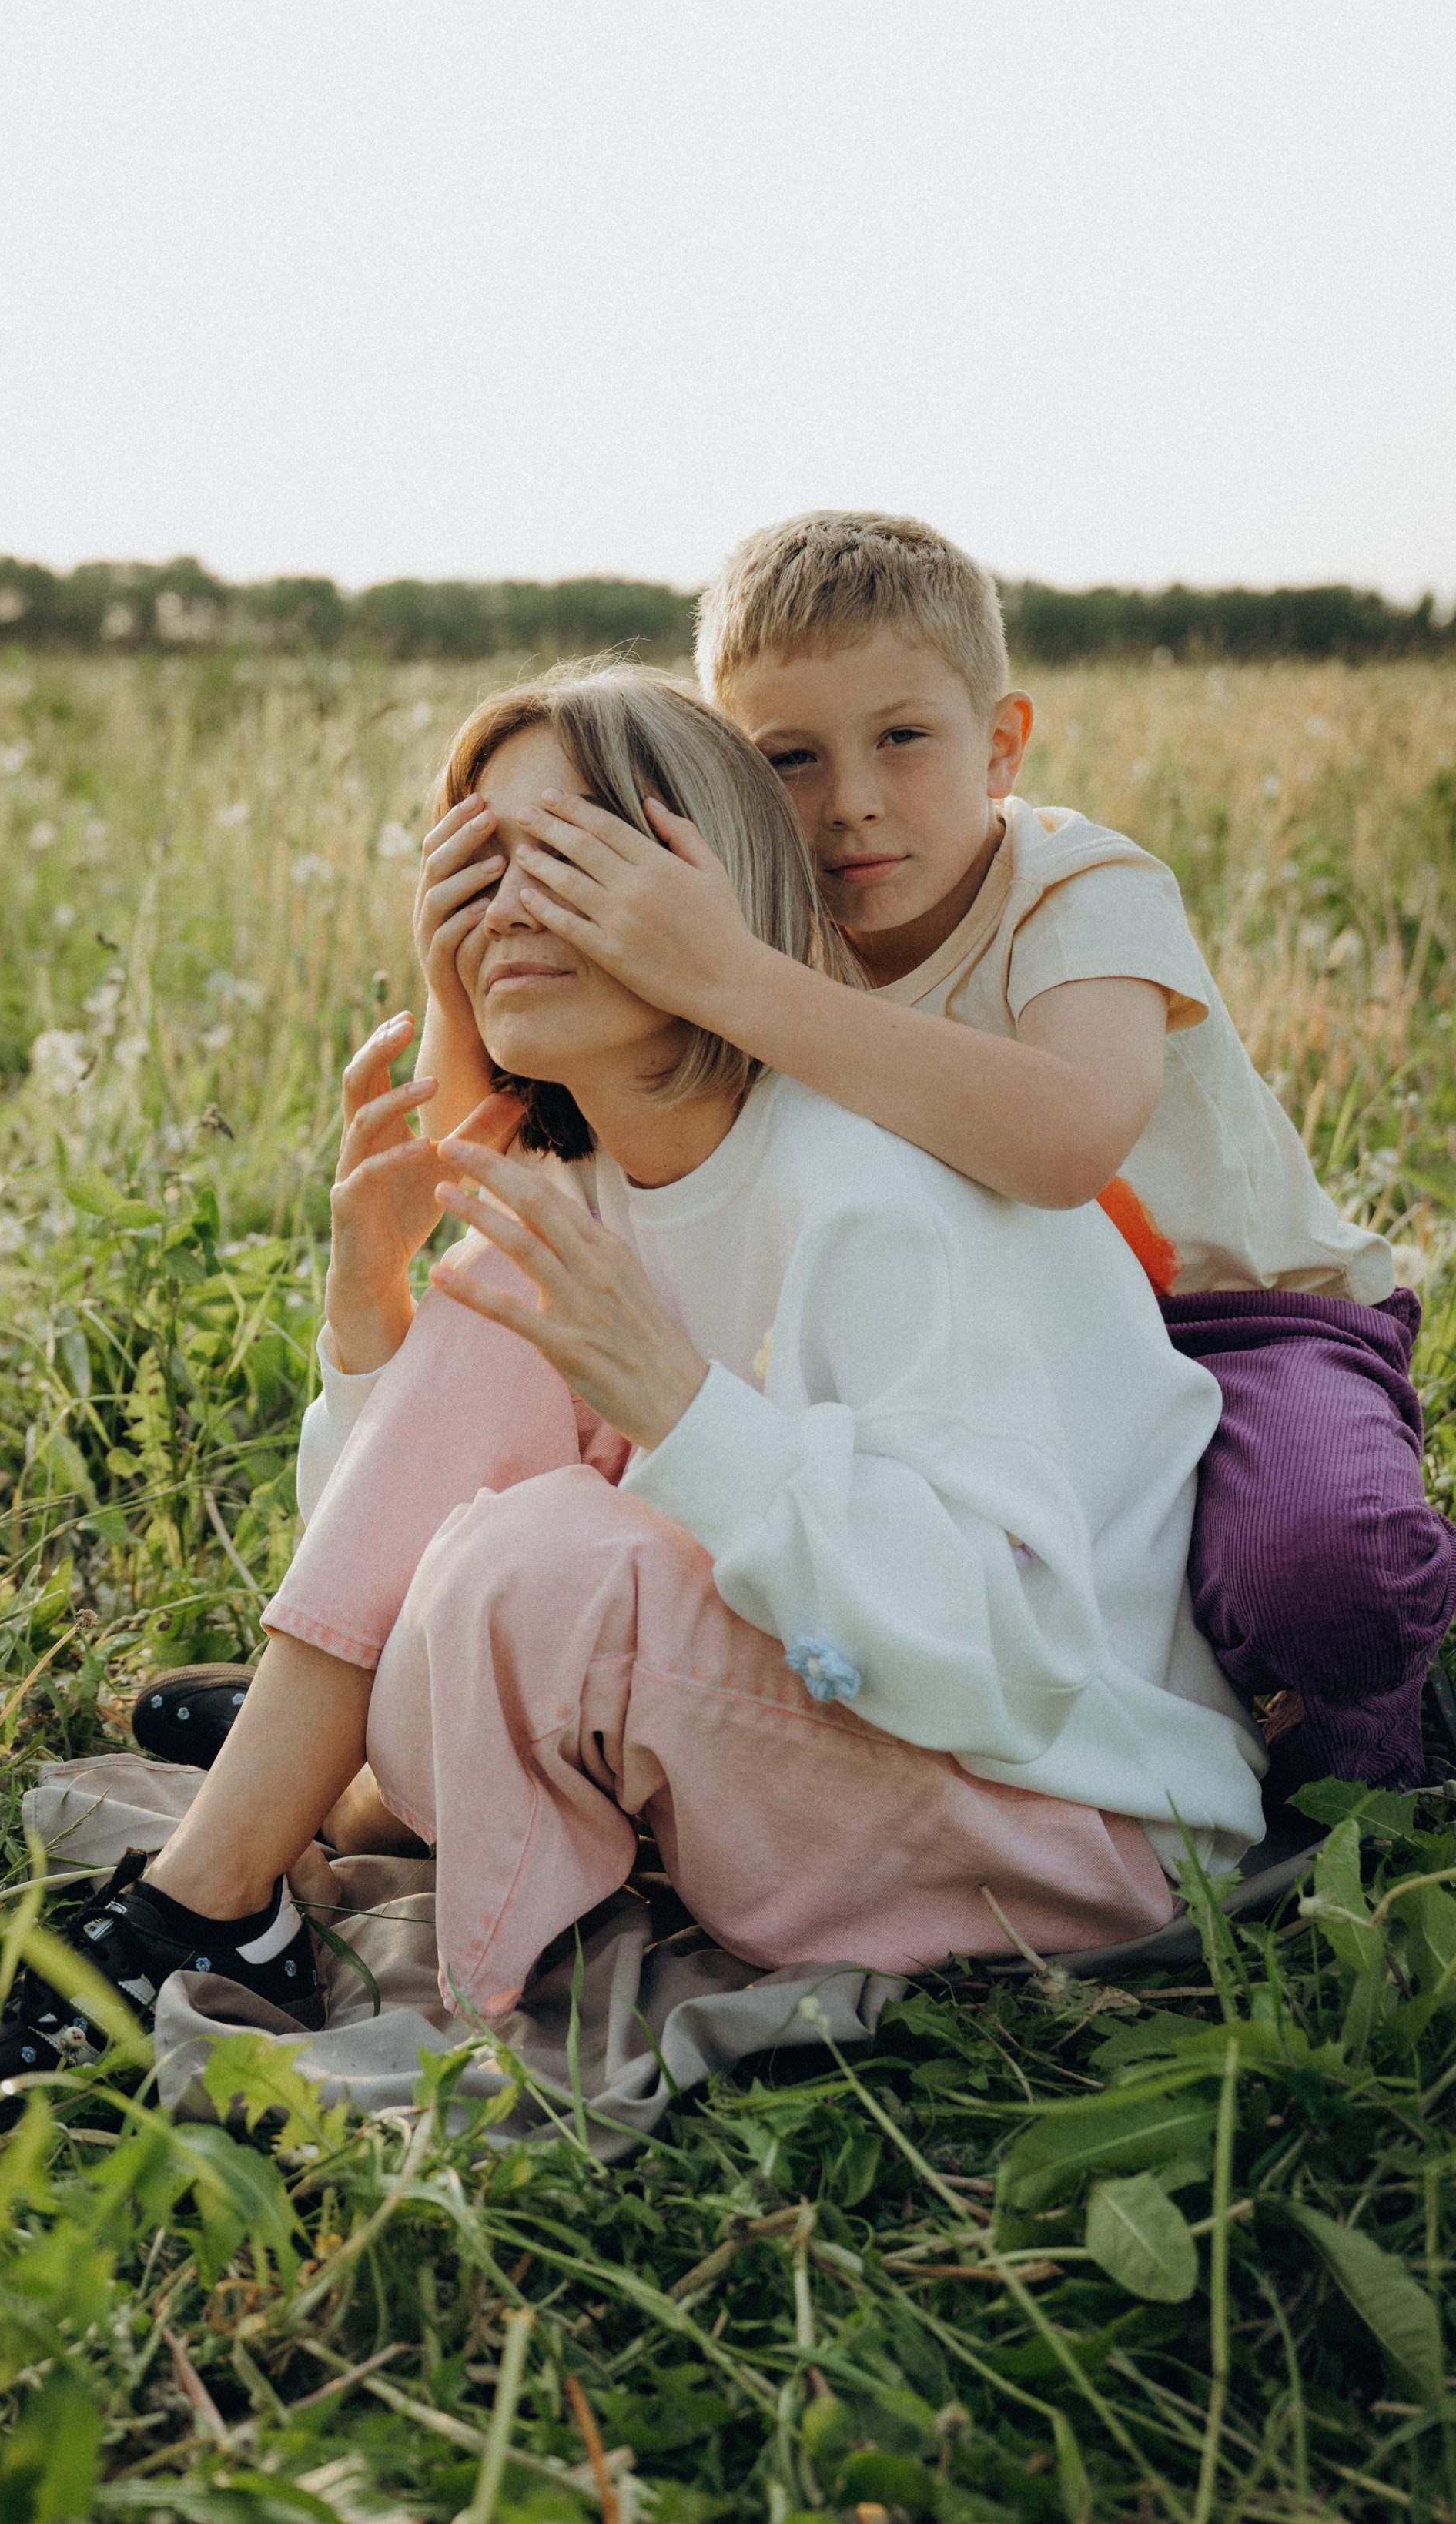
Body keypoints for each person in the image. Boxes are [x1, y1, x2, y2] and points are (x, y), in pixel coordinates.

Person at [8, 668, 1260, 2043]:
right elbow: (364, 1571)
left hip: (1076, 1830)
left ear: (704, 893)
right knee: (503, 1332)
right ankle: (229, 1880)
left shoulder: (875, 1189)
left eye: (568, 856)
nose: (511, 911)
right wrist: (371, 1308)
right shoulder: (604, 1180)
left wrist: (680, 1407)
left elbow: (1006, 1661)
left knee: (537, 1568)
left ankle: (288, 1838)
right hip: (875, 1746)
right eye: (475, 865)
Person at [412, 516, 1456, 1806]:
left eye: (903, 738)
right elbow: (504, 1142)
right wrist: (457, 979)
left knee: (1318, 1574)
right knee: (723, 1497)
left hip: (1231, 1329)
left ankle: (1364, 1785)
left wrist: (733, 979)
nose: (850, 800)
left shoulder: (1075, 883)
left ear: (1003, 744)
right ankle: (413, 1684)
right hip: (991, 1352)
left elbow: (1067, 1141)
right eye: (787, 758)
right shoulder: (762, 918)